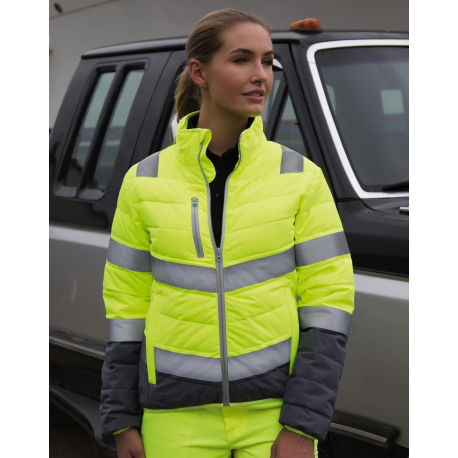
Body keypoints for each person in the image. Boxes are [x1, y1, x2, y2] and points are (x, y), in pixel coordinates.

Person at [100, 8, 355, 458]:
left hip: (274, 416)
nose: (261, 75)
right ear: (199, 72)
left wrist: (304, 424)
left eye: (267, 61)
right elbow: (126, 310)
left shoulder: (301, 178)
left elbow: (328, 308)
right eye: (241, 59)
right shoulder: (143, 182)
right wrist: (120, 418)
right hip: (174, 417)